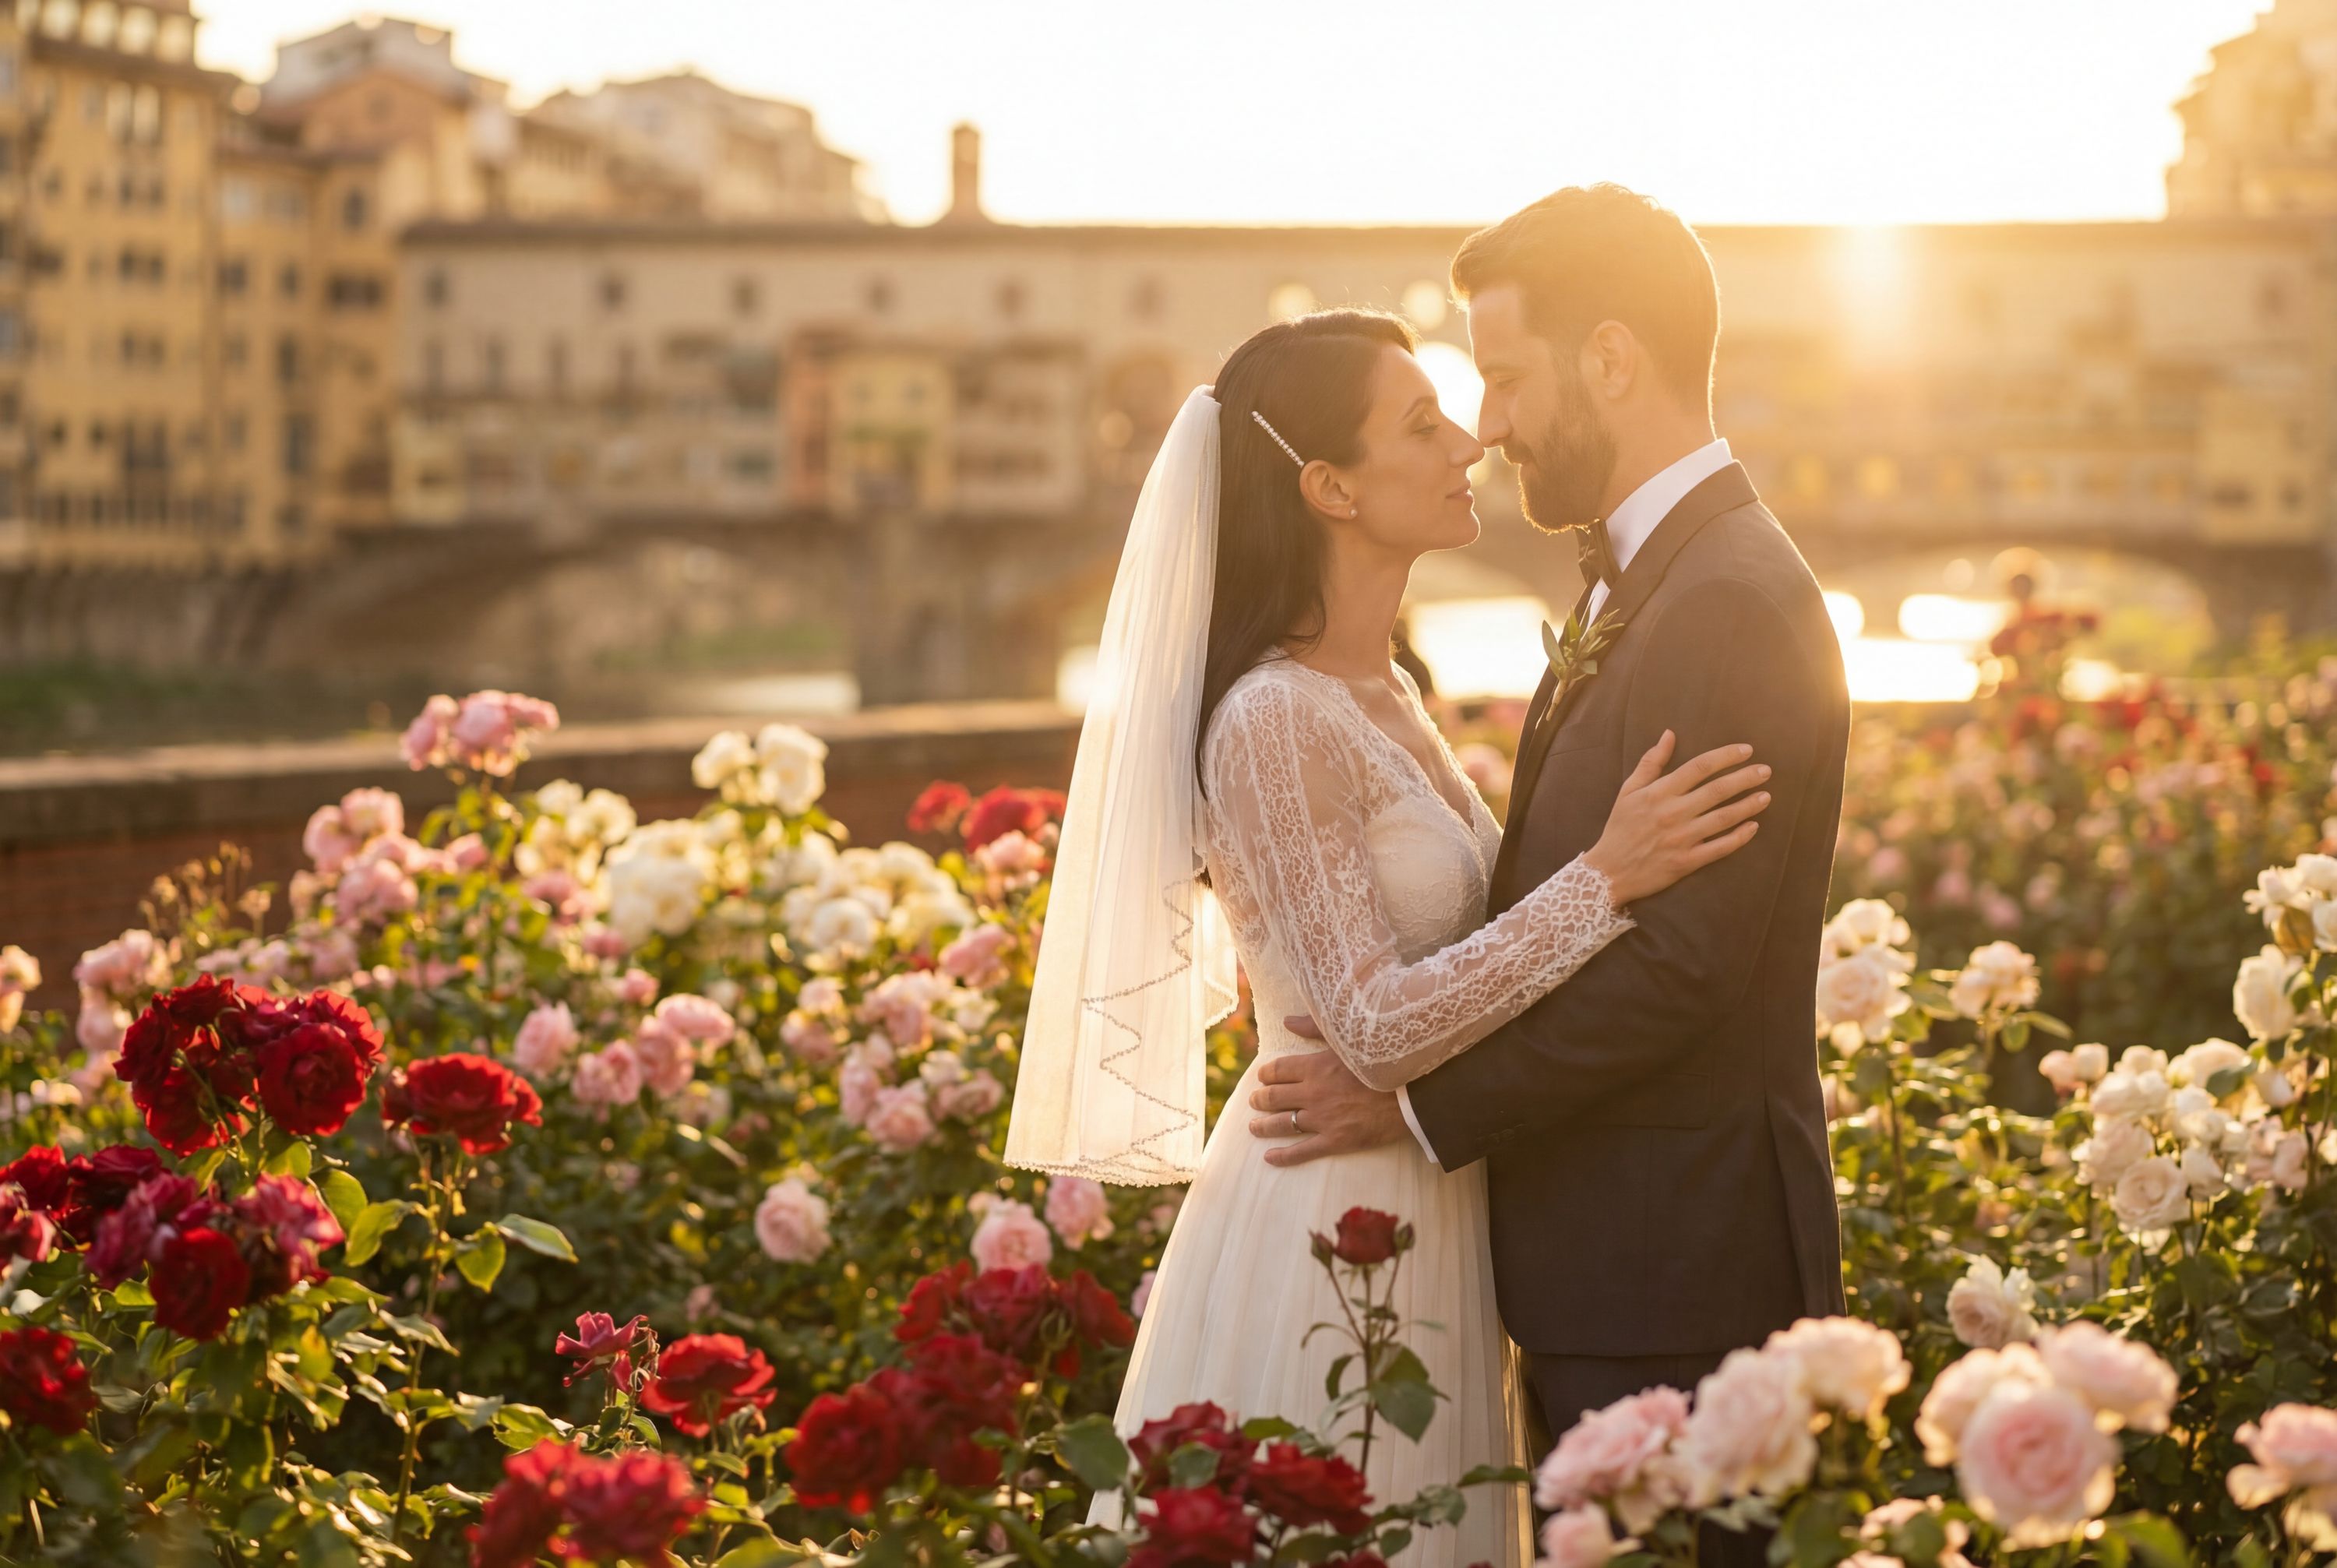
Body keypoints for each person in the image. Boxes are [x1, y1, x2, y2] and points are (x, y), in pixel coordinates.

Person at [1006, 289, 1771, 1564]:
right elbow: (1364, 1023)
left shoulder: (1390, 690)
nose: (1466, 439)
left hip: (1436, 1194)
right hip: (1331, 1212)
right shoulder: (1269, 718)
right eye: (1419, 424)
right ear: (1330, 488)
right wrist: (1607, 876)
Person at [1245, 185, 1850, 1568]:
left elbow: (1685, 968)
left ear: (1613, 358)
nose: (1491, 422)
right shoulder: (1643, 582)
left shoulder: (1731, 603)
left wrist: (1416, 1104)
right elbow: (1574, 910)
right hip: (1613, 1260)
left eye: (1506, 376)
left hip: (1677, 1269)